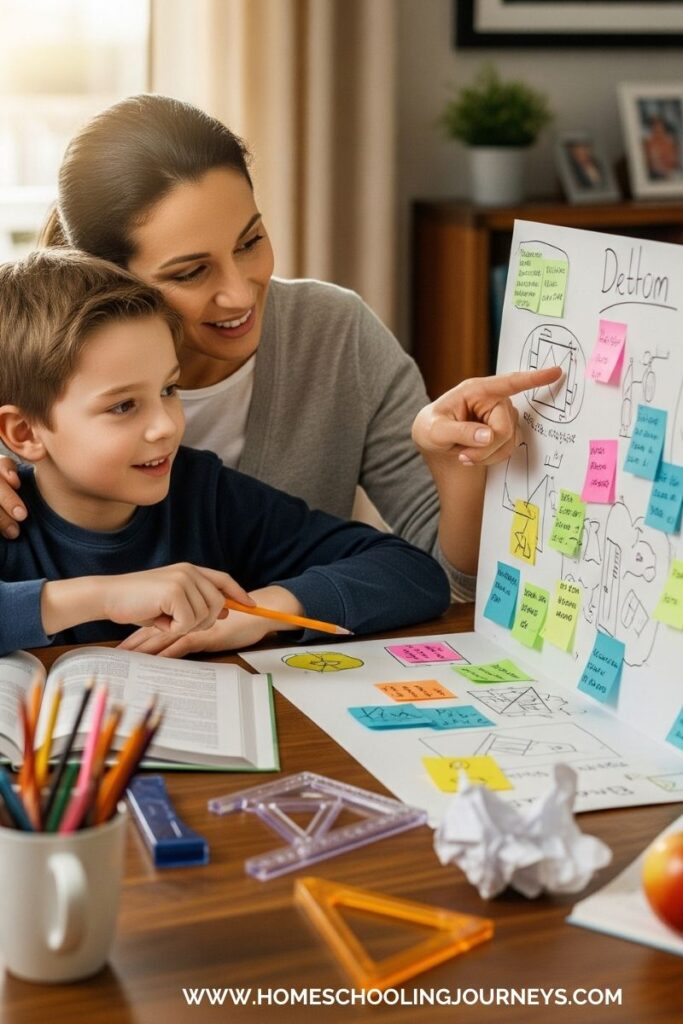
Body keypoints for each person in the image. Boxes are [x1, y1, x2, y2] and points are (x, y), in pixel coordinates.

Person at [0, 94, 560, 607]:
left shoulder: (335, 336)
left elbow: (447, 587)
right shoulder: (32, 359)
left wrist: (456, 466)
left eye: (250, 242)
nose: (241, 293)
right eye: (192, 271)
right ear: (110, 280)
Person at [0, 249, 451, 658]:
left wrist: (260, 612)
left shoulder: (206, 495)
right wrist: (103, 596)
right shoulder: (9, 514)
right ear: (23, 432)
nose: (167, 425)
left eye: (168, 389)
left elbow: (412, 573)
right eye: (122, 406)